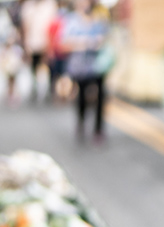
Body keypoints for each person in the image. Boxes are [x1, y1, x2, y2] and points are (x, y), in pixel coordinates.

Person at [62, 0, 109, 142]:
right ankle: (81, 123)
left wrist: (98, 42)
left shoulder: (99, 21)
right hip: (80, 67)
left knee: (101, 97)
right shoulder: (72, 21)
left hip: (97, 66)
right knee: (81, 97)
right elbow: (64, 43)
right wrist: (82, 43)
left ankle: (98, 129)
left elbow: (106, 40)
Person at [19, 0, 57, 101]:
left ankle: (50, 90)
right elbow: (25, 26)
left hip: (47, 42)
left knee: (49, 67)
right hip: (33, 43)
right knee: (34, 67)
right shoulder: (28, 6)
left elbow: (53, 25)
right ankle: (35, 88)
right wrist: (25, 45)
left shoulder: (50, 5)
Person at [0, 31, 26, 106]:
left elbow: (21, 58)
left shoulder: (17, 49)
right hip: (8, 68)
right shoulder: (5, 49)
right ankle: (9, 94)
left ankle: (13, 95)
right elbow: (1, 58)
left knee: (14, 82)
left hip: (14, 68)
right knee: (9, 81)